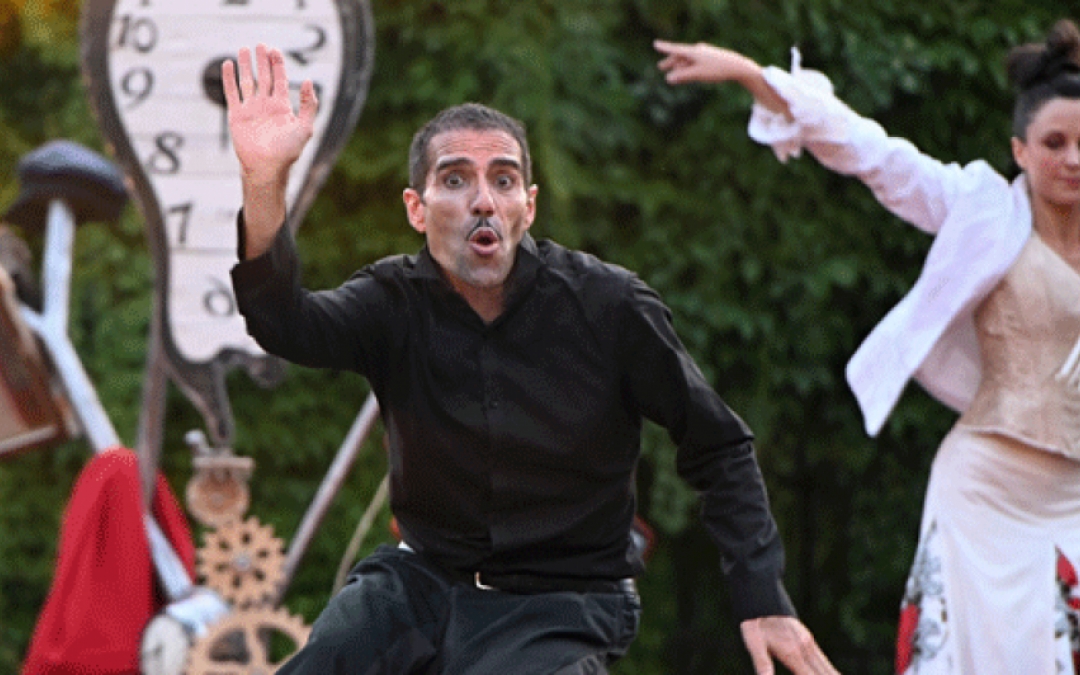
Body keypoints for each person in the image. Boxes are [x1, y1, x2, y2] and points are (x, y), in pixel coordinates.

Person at [223, 44, 838, 675]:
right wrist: (264, 181)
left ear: (529, 206)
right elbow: (283, 322)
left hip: (562, 602)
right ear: (416, 209)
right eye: (455, 180)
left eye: (503, 180)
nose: (482, 200)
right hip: (419, 586)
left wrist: (763, 597)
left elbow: (720, 447)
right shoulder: (391, 301)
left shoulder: (609, 305)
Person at [656, 17, 1080, 675]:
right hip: (984, 487)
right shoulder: (984, 208)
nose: (1073, 158)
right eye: (1055, 142)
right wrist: (752, 74)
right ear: (1020, 150)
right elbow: (874, 154)